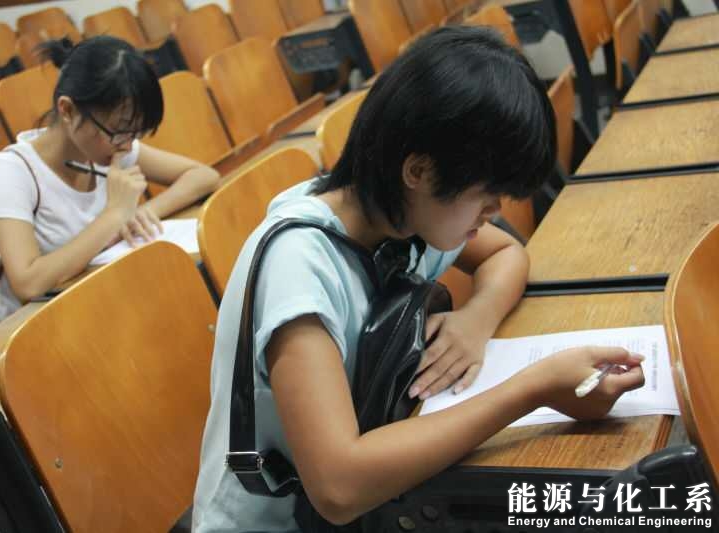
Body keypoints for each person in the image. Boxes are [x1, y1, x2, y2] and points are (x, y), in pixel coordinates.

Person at [192, 26, 645, 532]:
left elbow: (507, 255)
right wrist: (534, 389)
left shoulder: (399, 213)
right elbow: (339, 486)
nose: (496, 212)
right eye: (486, 196)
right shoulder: (299, 268)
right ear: (419, 171)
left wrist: (476, 319)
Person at [0, 36, 220, 332]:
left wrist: (141, 213)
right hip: (26, 332)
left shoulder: (108, 146)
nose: (127, 145)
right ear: (67, 110)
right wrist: (114, 215)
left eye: (136, 134)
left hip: (95, 307)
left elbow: (203, 176)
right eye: (120, 132)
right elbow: (28, 283)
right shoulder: (9, 172)